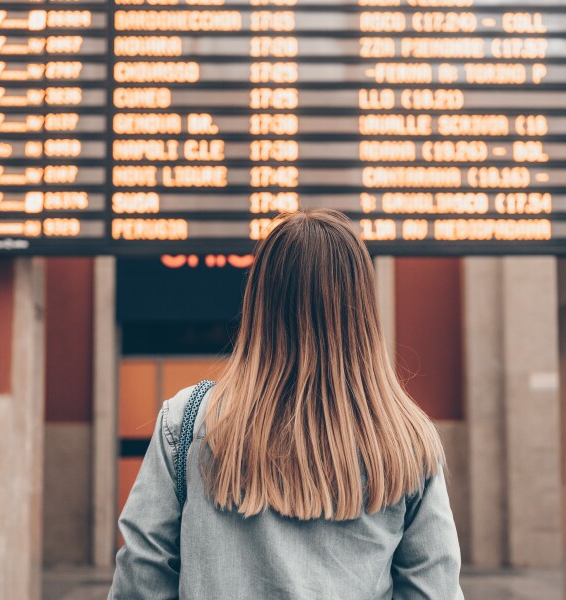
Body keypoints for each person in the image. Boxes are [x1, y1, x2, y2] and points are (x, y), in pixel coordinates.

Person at [108, 209, 464, 599]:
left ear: (259, 300)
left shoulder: (187, 420)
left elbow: (140, 579)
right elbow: (434, 589)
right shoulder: (407, 441)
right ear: (362, 307)